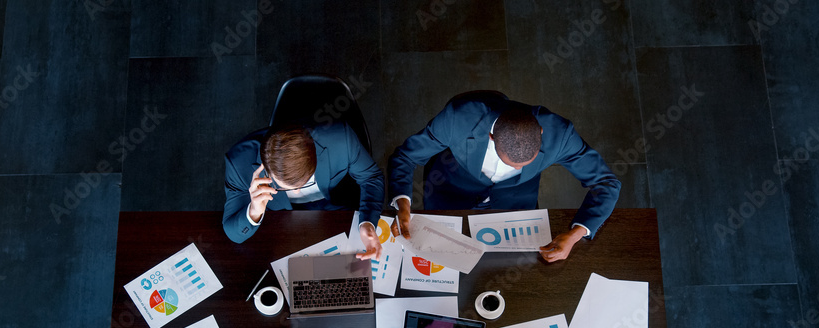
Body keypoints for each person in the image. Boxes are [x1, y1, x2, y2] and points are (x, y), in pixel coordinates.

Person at [387, 93, 621, 262]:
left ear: (540, 132)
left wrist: (575, 234)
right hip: (449, 193)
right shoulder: (457, 119)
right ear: (491, 137)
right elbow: (406, 156)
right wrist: (403, 204)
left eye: (525, 164)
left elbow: (606, 183)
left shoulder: (560, 135)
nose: (515, 169)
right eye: (510, 163)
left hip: (514, 204)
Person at [222, 122, 386, 259]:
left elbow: (371, 178)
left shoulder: (341, 139)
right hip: (282, 220)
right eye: (282, 187)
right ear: (265, 170)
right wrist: (254, 211)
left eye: (305, 181)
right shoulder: (238, 163)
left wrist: (368, 221)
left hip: (334, 205)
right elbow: (233, 234)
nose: (298, 192)